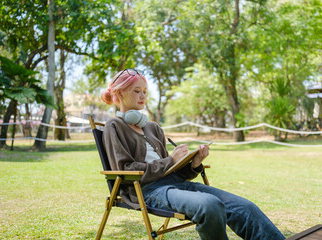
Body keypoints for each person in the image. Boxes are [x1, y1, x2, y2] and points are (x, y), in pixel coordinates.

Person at [101, 68, 285, 240]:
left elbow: (174, 171)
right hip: (147, 191)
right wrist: (170, 160)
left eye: (145, 91)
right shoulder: (114, 126)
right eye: (136, 91)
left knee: (245, 207)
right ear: (119, 94)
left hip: (177, 185)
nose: (143, 96)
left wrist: (194, 163)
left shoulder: (152, 127)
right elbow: (125, 169)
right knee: (210, 205)